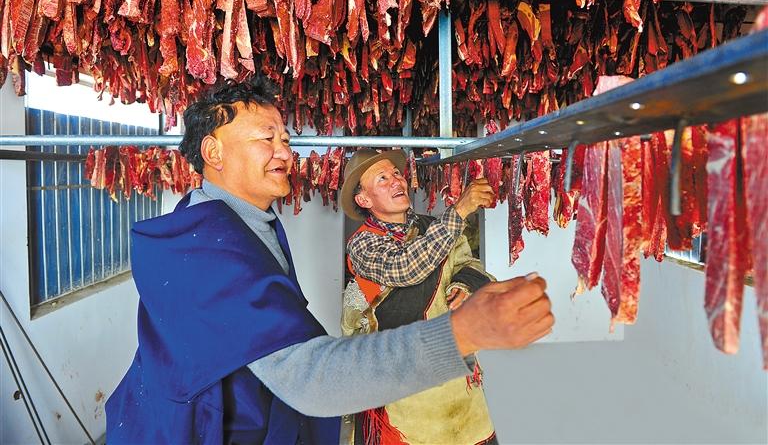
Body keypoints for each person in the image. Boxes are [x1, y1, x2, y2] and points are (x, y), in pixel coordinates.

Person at [105, 75, 555, 444]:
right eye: (266, 138)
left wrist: (468, 286)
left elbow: (461, 260)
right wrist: (463, 332)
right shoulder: (207, 247)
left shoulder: (246, 224)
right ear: (213, 152)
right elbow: (309, 376)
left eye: (285, 139)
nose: (285, 152)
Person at [340, 149, 500, 444]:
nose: (396, 181)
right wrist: (459, 211)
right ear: (364, 200)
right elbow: (404, 268)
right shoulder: (362, 244)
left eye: (396, 173)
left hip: (456, 385)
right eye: (382, 178)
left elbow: (471, 265)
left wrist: (463, 285)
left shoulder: (434, 227)